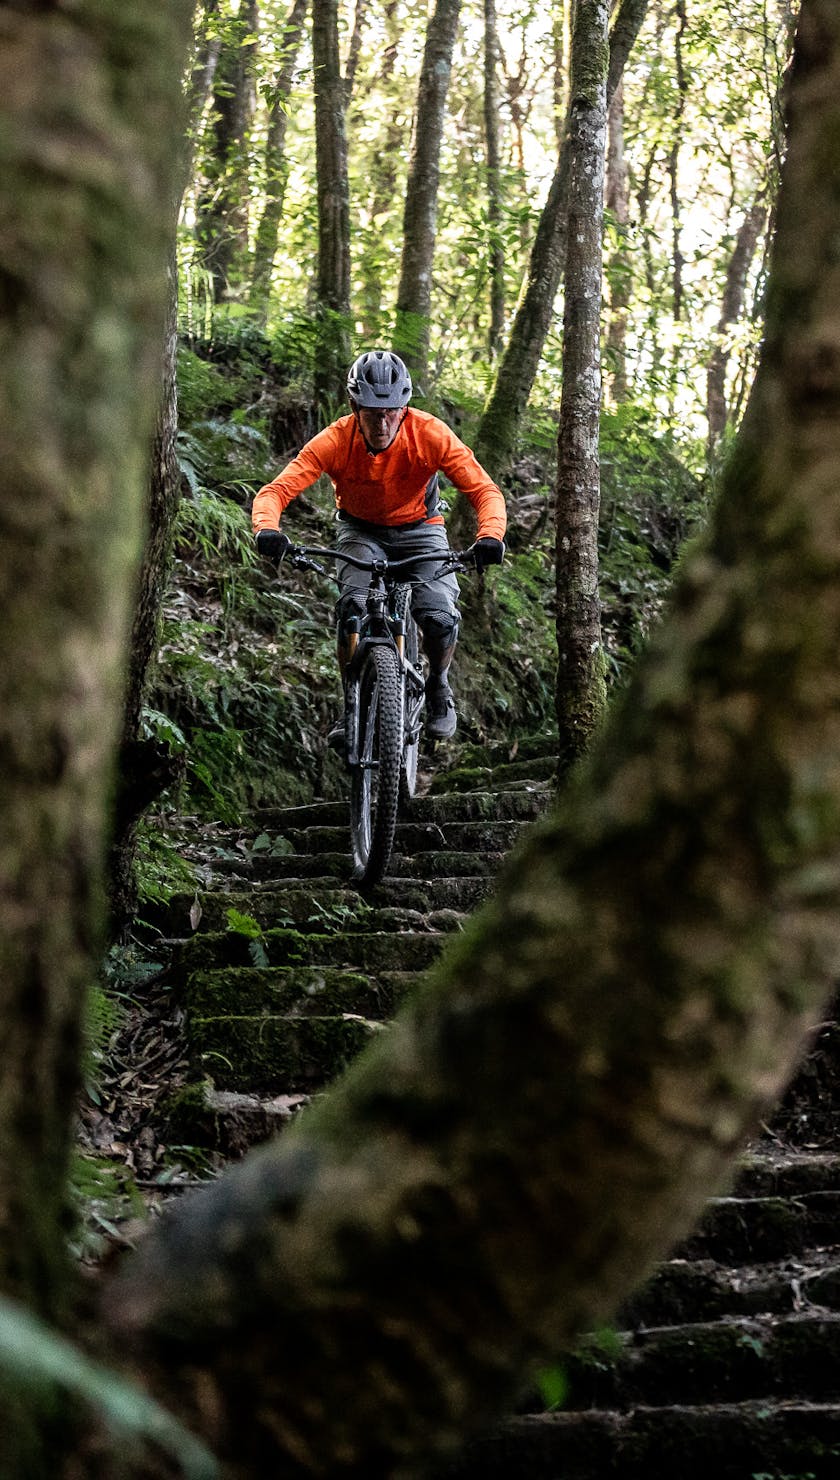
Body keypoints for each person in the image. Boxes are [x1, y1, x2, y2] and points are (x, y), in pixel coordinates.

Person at [252, 349, 506, 742]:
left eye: (393, 411)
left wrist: (490, 536)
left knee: (438, 616)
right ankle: (349, 705)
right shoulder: (335, 439)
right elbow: (277, 490)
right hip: (361, 533)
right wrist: (267, 528)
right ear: (354, 406)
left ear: (405, 407)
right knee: (353, 608)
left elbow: (483, 489)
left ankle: (438, 684)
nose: (383, 422)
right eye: (372, 412)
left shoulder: (430, 434)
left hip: (421, 530)